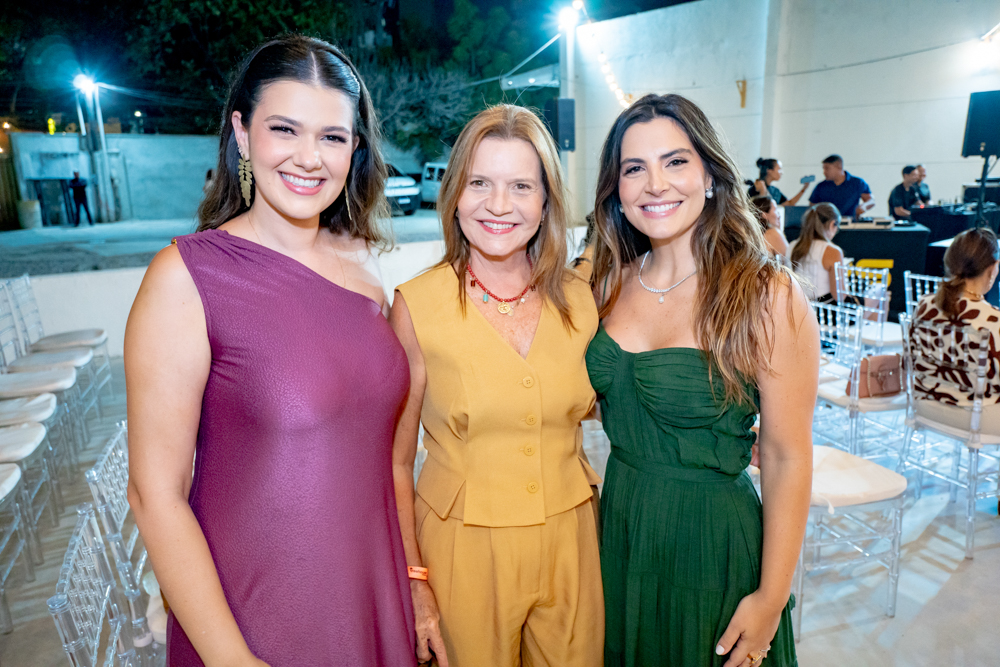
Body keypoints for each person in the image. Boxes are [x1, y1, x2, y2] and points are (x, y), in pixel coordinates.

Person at [125, 36, 416, 667]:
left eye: (333, 137)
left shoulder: (366, 268)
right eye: (285, 129)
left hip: (369, 587)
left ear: (355, 149)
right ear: (241, 131)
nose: (309, 158)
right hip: (258, 616)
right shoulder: (186, 277)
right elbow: (156, 494)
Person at [588, 93, 814, 667]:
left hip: (713, 547)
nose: (655, 184)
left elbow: (787, 456)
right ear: (616, 189)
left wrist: (771, 596)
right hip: (620, 533)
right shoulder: (606, 282)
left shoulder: (767, 294)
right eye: (634, 168)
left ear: (711, 175)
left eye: (676, 161)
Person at [390, 105, 604, 667]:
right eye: (479, 183)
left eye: (521, 186)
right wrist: (415, 583)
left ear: (546, 201)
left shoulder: (581, 300)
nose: (499, 205)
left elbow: (612, 405)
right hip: (463, 547)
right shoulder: (418, 305)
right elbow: (392, 461)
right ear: (455, 193)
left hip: (573, 540)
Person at [911, 227, 1000, 431]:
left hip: (926, 407)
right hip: (978, 420)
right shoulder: (994, 319)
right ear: (993, 267)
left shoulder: (924, 305)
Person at [786, 203, 844, 301]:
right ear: (832, 224)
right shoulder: (832, 251)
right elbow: (839, 295)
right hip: (824, 310)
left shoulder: (791, 246)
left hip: (797, 307)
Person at [808, 154, 873, 219]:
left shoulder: (857, 183)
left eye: (827, 168)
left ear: (839, 167)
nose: (824, 172)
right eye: (824, 169)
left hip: (850, 225)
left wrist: (864, 207)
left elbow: (871, 201)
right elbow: (812, 206)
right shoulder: (821, 186)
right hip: (827, 226)